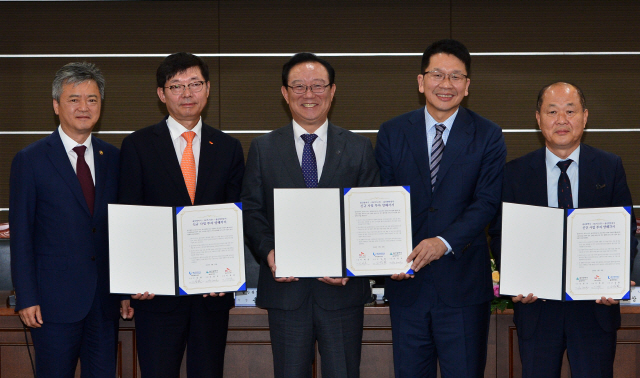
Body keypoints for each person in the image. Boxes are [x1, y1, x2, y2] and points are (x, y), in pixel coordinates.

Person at [241, 52, 379, 378]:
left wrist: (349, 261)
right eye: (299, 86)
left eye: (318, 86)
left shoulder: (359, 148)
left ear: (332, 91)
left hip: (342, 290)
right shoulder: (263, 148)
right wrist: (270, 252)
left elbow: (368, 215)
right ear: (285, 93)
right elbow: (252, 210)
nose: (309, 95)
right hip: (286, 291)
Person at [375, 39, 506, 377]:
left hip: (463, 285)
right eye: (437, 75)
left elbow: (487, 202)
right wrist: (387, 254)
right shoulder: (392, 132)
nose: (445, 85)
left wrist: (442, 242)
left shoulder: (488, 134)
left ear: (467, 86)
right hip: (407, 283)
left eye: (456, 77)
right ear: (421, 82)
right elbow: (383, 201)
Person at [489, 82, 637, 378]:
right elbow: (500, 233)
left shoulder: (609, 167)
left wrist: (618, 278)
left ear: (584, 117)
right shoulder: (514, 173)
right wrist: (515, 278)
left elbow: (626, 231)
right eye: (552, 111)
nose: (561, 120)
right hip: (537, 308)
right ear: (538, 118)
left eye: (570, 111)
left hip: (594, 308)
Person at [118, 52, 245, 378]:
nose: (187, 94)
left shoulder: (228, 147)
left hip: (211, 294)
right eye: (176, 86)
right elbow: (129, 218)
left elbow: (236, 217)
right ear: (162, 94)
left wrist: (225, 275)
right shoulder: (138, 145)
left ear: (208, 89)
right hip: (156, 294)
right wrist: (132, 280)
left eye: (194, 84)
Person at [10, 62, 129, 378]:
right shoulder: (30, 159)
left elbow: (120, 229)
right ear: (55, 105)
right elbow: (22, 234)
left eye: (92, 99)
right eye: (74, 99)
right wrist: (27, 296)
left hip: (104, 302)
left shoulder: (114, 158)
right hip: (52, 302)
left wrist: (125, 289)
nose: (84, 107)